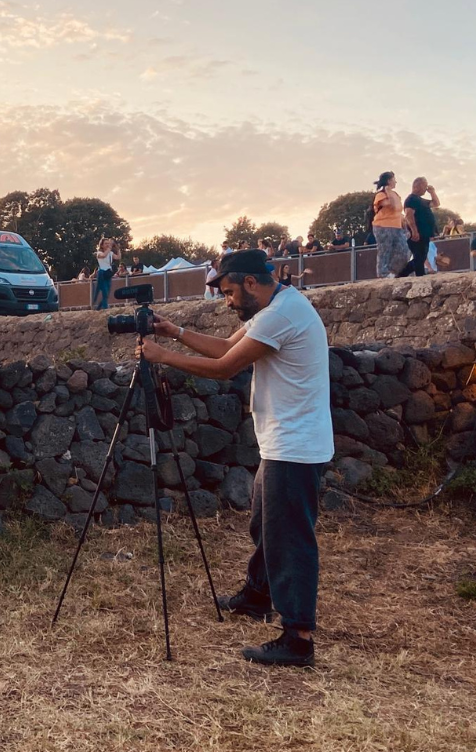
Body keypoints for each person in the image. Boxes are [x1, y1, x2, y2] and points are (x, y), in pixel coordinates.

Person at [137, 249, 332, 667]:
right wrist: (175, 331)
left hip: (294, 446)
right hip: (284, 442)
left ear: (249, 282)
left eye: (228, 293)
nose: (227, 302)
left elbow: (226, 366)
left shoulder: (282, 315)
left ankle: (298, 638)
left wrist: (163, 356)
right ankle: (258, 596)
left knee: (290, 539)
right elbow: (226, 346)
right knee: (265, 524)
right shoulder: (277, 308)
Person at [372, 171, 409, 278]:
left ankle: (394, 271)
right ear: (389, 181)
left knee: (404, 249)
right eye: (394, 179)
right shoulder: (381, 195)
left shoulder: (396, 195)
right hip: (383, 226)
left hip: (397, 226)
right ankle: (383, 273)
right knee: (385, 250)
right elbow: (392, 206)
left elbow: (398, 211)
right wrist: (388, 192)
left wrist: (405, 225)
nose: (396, 182)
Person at [401, 177, 440, 277]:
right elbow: (409, 215)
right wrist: (414, 230)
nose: (425, 188)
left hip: (425, 233)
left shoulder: (421, 200)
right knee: (419, 257)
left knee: (421, 256)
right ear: (418, 186)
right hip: (417, 233)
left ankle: (416, 275)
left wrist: (432, 192)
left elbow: (436, 204)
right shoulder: (411, 199)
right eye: (424, 185)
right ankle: (403, 275)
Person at [94, 237, 118, 310]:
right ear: (102, 245)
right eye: (106, 243)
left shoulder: (110, 253)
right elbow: (103, 255)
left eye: (108, 243)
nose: (107, 245)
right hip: (102, 273)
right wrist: (109, 248)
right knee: (104, 291)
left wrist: (118, 248)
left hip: (108, 273)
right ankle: (105, 308)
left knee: (107, 292)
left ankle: (99, 308)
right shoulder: (99, 253)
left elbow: (118, 257)